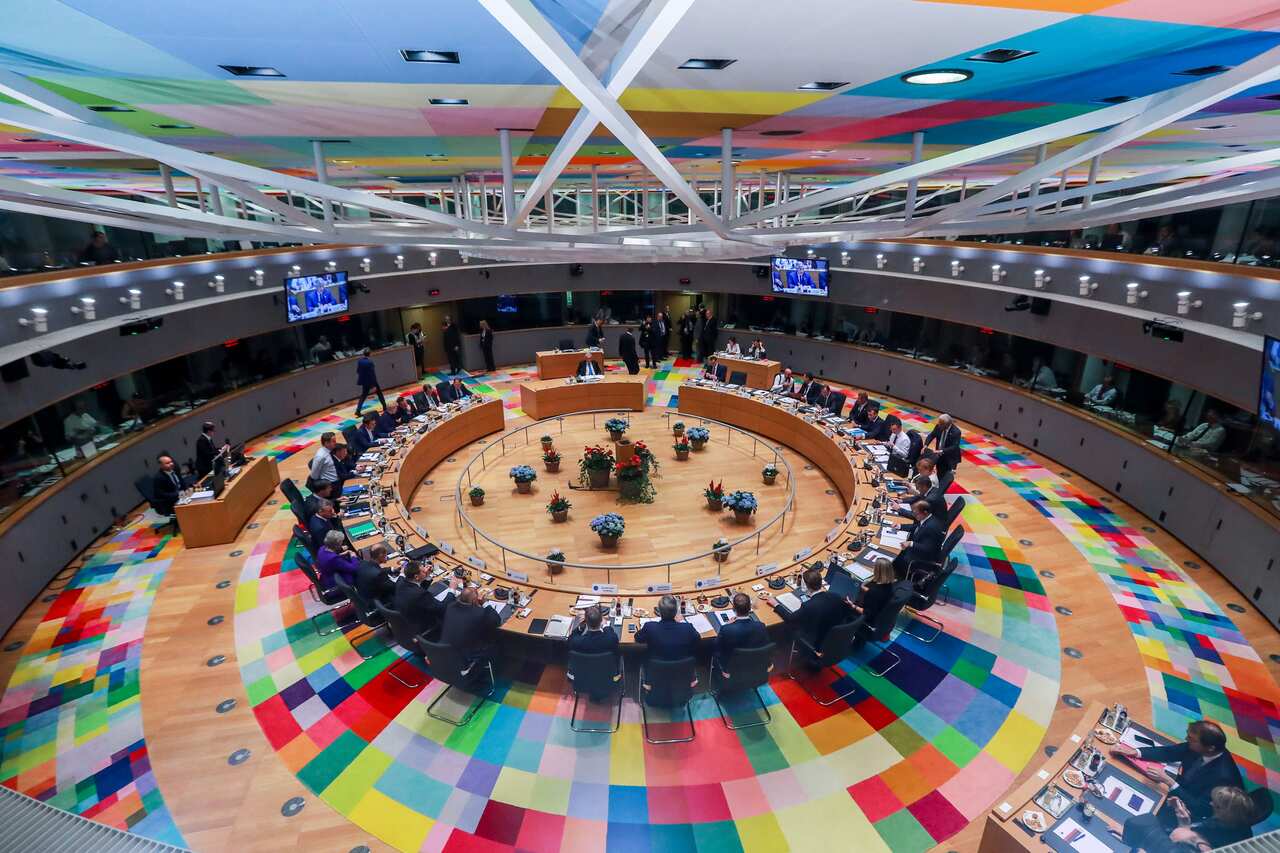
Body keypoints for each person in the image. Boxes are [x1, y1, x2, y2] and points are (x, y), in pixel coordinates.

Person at [1112, 720, 1244, 824]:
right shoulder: (1198, 747)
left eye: (1191, 739)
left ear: (1210, 748)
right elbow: (1169, 752)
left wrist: (1169, 782)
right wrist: (1136, 752)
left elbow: (1200, 808)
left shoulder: (1224, 777)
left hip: (1193, 811)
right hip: (1184, 787)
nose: (1186, 739)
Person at [1123, 786, 1254, 852]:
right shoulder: (1228, 822)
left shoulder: (1220, 839)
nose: (1211, 804)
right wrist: (1184, 823)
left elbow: (1176, 845)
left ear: (1227, 813)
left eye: (1217, 806)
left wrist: (1139, 841)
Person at [766, 567, 855, 663]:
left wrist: (776, 605)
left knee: (786, 628)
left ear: (805, 585)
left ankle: (779, 650)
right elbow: (846, 611)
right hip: (832, 638)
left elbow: (790, 619)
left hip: (815, 641)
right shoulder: (835, 596)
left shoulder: (808, 606)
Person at [849, 558, 913, 643]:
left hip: (869, 622)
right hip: (883, 621)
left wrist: (852, 605)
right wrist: (864, 588)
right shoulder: (890, 585)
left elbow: (866, 613)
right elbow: (878, 594)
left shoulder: (875, 592)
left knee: (841, 603)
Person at [440, 586, 500, 668]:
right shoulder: (479, 613)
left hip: (444, 652)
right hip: (465, 658)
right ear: (474, 601)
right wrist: (485, 603)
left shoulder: (450, 606)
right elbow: (496, 620)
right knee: (496, 638)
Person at [394, 561, 452, 637]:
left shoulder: (401, 582)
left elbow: (418, 589)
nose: (425, 569)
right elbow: (442, 607)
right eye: (423, 571)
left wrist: (426, 575)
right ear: (416, 577)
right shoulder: (420, 594)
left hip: (407, 619)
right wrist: (452, 589)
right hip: (423, 626)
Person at [634, 595, 700, 661]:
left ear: (659, 612)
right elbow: (697, 639)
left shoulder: (650, 627)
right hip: (683, 666)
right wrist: (681, 622)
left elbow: (637, 638)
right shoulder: (687, 628)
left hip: (656, 666)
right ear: (676, 611)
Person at [892, 501, 947, 578]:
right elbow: (916, 527)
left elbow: (928, 548)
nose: (914, 515)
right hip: (920, 546)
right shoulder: (928, 519)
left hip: (923, 558)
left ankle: (898, 576)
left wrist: (911, 543)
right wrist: (900, 526)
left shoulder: (931, 527)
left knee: (896, 557)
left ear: (925, 512)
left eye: (916, 514)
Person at [714, 593, 769, 669]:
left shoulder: (726, 629)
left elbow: (716, 648)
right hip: (755, 665)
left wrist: (727, 625)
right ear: (750, 607)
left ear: (733, 608)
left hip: (732, 668)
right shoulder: (761, 626)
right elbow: (765, 647)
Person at [354, 348, 386, 416]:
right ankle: (385, 407)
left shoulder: (360, 361)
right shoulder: (370, 362)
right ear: (370, 354)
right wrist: (373, 385)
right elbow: (372, 374)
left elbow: (358, 371)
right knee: (379, 393)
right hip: (371, 381)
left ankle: (358, 410)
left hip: (364, 382)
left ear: (363, 354)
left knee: (363, 396)